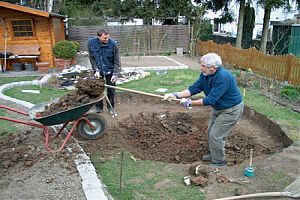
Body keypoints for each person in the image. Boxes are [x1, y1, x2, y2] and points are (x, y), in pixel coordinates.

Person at [164, 53, 243, 167]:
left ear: (213, 67)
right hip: (219, 108)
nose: (201, 67)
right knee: (210, 132)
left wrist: (189, 102)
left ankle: (220, 162)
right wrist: (175, 95)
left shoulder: (223, 77)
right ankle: (214, 154)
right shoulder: (205, 74)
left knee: (215, 135)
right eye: (201, 64)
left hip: (230, 110)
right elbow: (194, 89)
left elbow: (210, 99)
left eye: (203, 65)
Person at [87, 28, 121, 114]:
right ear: (98, 37)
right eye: (104, 38)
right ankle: (99, 107)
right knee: (97, 89)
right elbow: (92, 57)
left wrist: (115, 74)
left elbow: (117, 61)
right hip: (98, 70)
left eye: (108, 37)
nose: (107, 39)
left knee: (111, 89)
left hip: (110, 70)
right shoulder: (91, 43)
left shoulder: (113, 44)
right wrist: (96, 69)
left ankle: (111, 107)